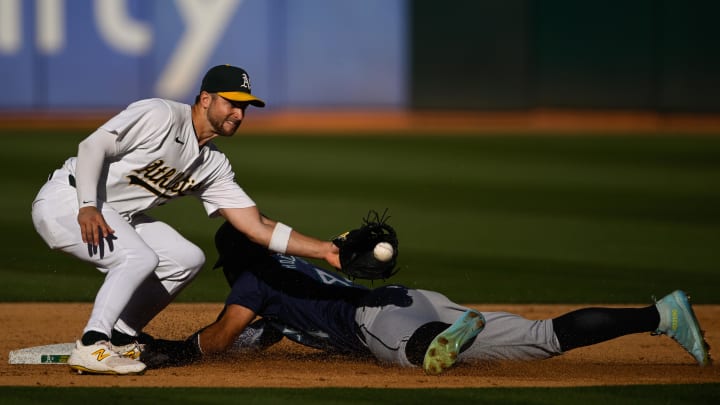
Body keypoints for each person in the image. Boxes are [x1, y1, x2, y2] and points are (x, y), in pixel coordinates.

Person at [30, 65, 341, 376]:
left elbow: (256, 226)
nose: (239, 114)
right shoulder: (160, 115)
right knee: (139, 257)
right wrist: (87, 205)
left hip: (113, 214)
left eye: (244, 106)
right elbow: (92, 146)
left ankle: (121, 336)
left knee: (187, 258)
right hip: (66, 201)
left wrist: (325, 250)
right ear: (205, 98)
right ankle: (92, 344)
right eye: (231, 103)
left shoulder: (212, 163)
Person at [139, 221, 711, 374]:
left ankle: (443, 343)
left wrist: (171, 350)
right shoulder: (284, 271)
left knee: (424, 359)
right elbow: (261, 334)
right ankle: (660, 314)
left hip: (378, 323)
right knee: (543, 337)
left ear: (235, 258)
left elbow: (219, 339)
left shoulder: (251, 282)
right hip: (412, 297)